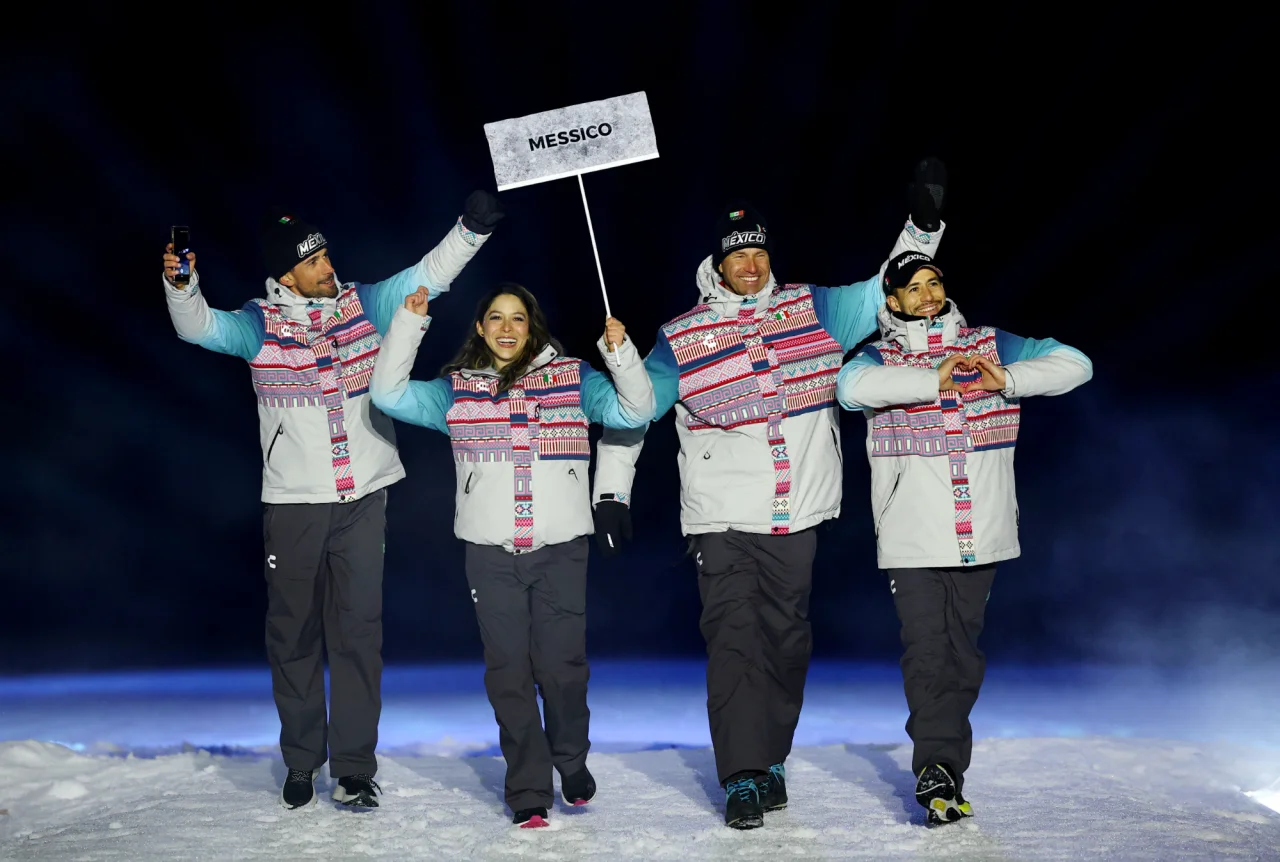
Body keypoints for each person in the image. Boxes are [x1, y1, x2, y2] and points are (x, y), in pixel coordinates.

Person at [590, 159, 950, 829]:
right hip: (720, 517)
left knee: (786, 641)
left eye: (757, 249)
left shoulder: (814, 309)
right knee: (733, 639)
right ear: (717, 264)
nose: (749, 263)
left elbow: (887, 289)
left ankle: (772, 757)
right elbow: (633, 412)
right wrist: (612, 491)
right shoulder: (682, 335)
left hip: (798, 514)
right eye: (737, 254)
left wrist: (922, 227)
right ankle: (742, 776)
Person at [160, 191, 505, 810]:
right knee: (292, 633)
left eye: (325, 254)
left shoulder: (365, 304)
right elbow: (196, 327)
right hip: (295, 503)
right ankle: (300, 762)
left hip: (363, 498)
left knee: (359, 634)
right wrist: (182, 286)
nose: (327, 265)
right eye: (313, 261)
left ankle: (352, 769)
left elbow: (429, 274)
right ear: (287, 274)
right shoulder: (258, 324)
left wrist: (470, 229)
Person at [369, 282, 655, 828]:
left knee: (562, 668)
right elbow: (386, 394)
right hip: (490, 553)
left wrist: (620, 355)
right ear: (480, 328)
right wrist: (407, 326)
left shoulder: (571, 379)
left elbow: (635, 408)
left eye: (517, 319)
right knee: (508, 674)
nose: (506, 328)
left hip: (561, 548)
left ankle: (569, 760)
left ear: (533, 327)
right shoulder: (457, 391)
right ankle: (528, 786)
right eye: (495, 318)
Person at [835, 250, 1092, 825]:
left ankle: (947, 763)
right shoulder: (879, 355)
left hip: (984, 531)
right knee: (927, 650)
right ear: (893, 301)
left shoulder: (991, 344)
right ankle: (936, 766)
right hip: (913, 537)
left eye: (934, 282)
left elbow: (1077, 363)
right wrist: (933, 377)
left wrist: (1012, 377)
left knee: (963, 655)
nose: (927, 293)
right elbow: (852, 389)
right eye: (912, 287)